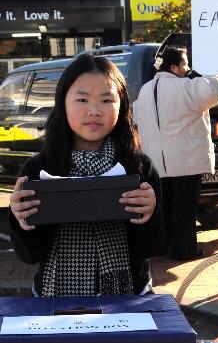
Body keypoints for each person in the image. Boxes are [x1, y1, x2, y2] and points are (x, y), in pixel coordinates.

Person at [9, 54, 164, 297]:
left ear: (121, 104)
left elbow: (152, 247)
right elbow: (29, 255)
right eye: (82, 99)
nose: (94, 111)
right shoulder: (39, 170)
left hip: (128, 299)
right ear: (63, 103)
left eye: (106, 100)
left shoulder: (138, 168)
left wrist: (150, 215)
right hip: (53, 300)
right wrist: (22, 222)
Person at [133, 46, 218, 261]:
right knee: (184, 208)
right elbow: (214, 91)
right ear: (173, 66)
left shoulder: (146, 89)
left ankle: (162, 246)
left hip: (156, 160)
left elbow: (137, 119)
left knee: (164, 207)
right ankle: (184, 250)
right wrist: (211, 70)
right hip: (185, 159)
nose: (188, 68)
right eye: (184, 64)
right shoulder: (185, 86)